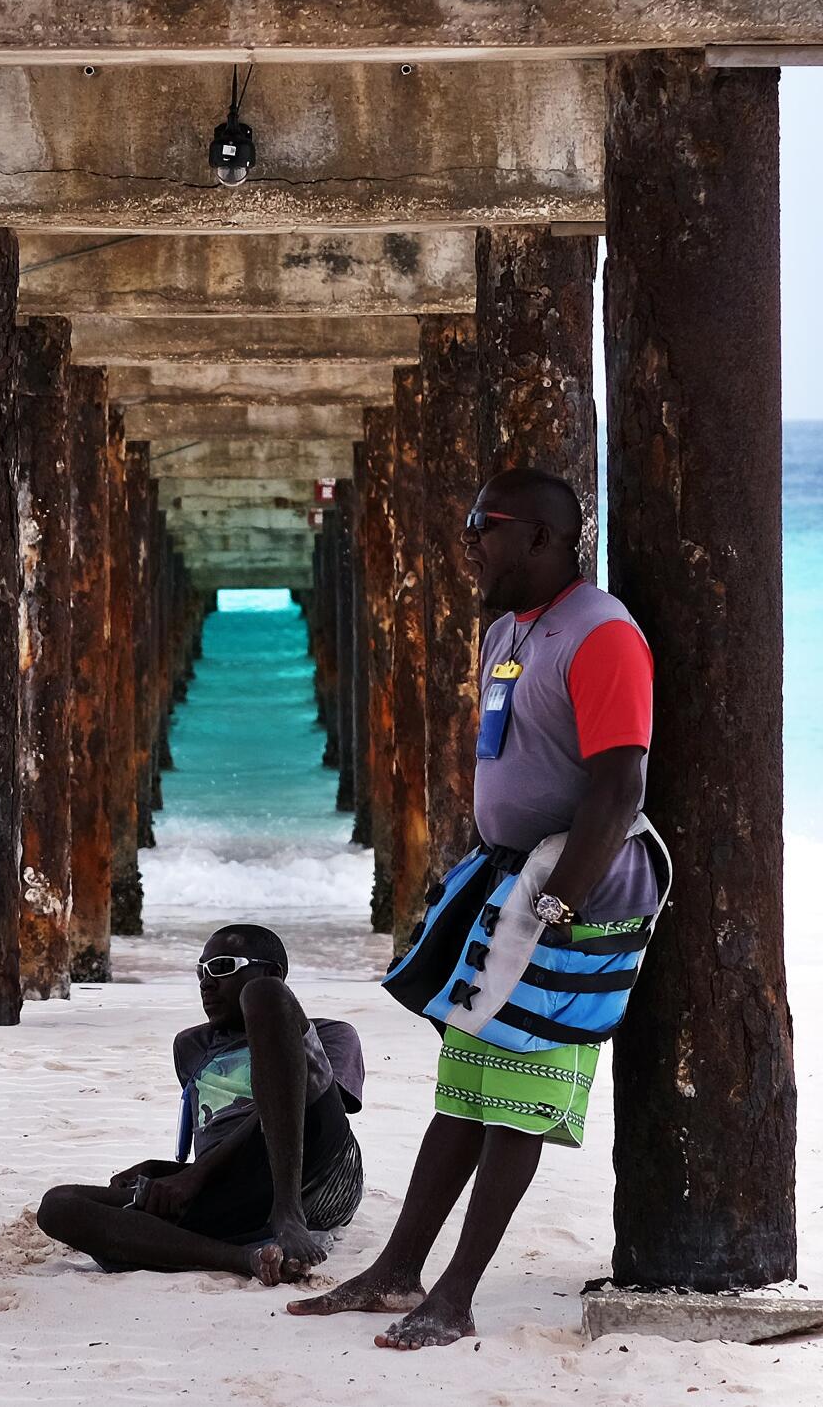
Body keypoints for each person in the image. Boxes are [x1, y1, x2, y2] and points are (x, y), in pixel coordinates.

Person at [289, 466, 665, 1348]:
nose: (467, 542)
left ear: (539, 536)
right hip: (508, 880)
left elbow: (619, 784)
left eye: (481, 526)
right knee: (465, 1086)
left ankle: (455, 1297)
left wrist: (561, 903)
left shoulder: (602, 634)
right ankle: (397, 1270)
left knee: (521, 1097)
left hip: (573, 891)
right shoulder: (508, 629)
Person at [38, 923, 365, 1286]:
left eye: (223, 967)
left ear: (274, 971)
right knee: (59, 1206)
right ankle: (245, 1258)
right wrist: (168, 1171)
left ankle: (287, 1214)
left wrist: (197, 1173)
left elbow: (299, 1108)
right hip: (235, 1188)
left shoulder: (330, 1033)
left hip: (316, 1169)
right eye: (201, 972)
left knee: (263, 996)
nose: (206, 983)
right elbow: (218, 1130)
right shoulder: (190, 1046)